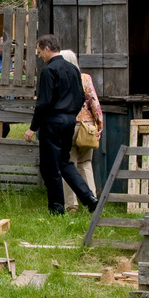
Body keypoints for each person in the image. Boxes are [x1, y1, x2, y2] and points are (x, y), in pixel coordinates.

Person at [23, 35, 99, 215]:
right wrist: (70, 114)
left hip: (52, 122)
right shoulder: (73, 69)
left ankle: (56, 208)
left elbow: (43, 103)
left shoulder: (49, 71)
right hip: (70, 122)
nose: (39, 55)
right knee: (65, 162)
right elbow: (81, 97)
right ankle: (89, 197)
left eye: (40, 51)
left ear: (47, 48)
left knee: (50, 167)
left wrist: (33, 127)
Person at [59, 49, 102, 213]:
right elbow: (94, 104)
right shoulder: (85, 78)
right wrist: (99, 125)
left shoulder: (61, 78)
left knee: (68, 164)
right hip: (88, 128)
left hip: (69, 125)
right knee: (86, 163)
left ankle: (71, 205)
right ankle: (92, 201)